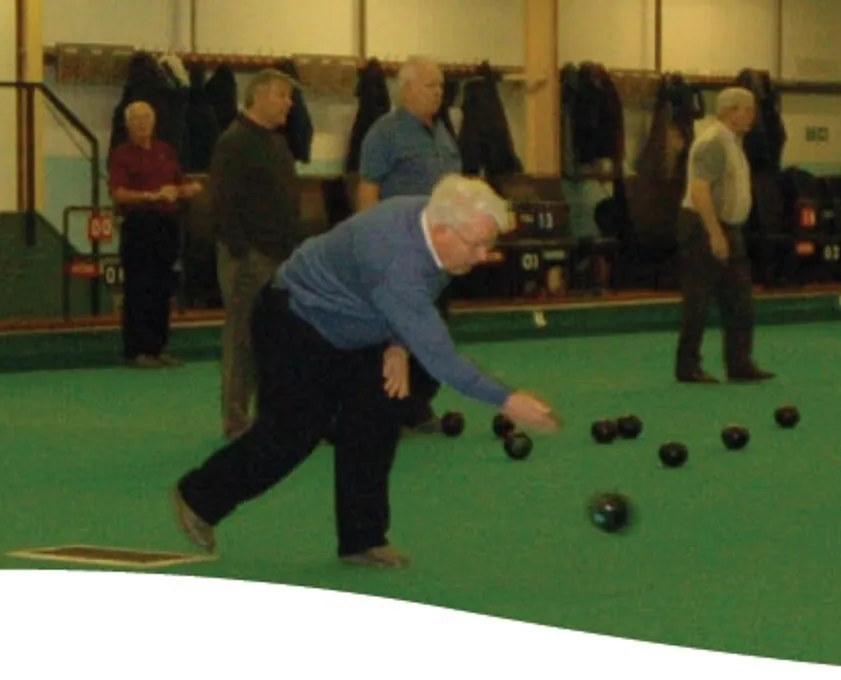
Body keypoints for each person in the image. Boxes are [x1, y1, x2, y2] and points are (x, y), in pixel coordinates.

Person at [169, 176, 560, 569]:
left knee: (376, 417)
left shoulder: (439, 219)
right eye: (475, 245)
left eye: (486, 245)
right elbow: (441, 356)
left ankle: (362, 539)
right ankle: (198, 497)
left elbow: (421, 292)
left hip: (362, 324)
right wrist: (507, 400)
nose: (480, 256)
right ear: (442, 231)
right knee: (292, 433)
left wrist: (396, 342)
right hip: (295, 320)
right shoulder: (394, 255)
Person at [356, 57, 465, 435]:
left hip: (441, 253)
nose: (439, 92)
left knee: (435, 330)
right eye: (430, 85)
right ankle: (388, 410)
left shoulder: (442, 134)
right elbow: (368, 189)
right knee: (394, 333)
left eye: (440, 85)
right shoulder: (384, 133)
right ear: (405, 89)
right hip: (401, 250)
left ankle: (417, 406)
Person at [209, 68, 302, 439]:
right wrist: (242, 255)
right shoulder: (233, 142)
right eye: (282, 95)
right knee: (242, 340)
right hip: (248, 259)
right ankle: (236, 421)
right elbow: (222, 205)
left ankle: (273, 415)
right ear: (259, 95)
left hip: (282, 258)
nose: (289, 104)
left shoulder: (277, 143)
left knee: (278, 340)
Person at [674, 88, 774, 384]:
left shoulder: (732, 141)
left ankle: (739, 363)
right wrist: (715, 234)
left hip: (729, 227)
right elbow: (700, 190)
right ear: (731, 111)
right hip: (705, 226)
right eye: (748, 110)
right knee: (699, 300)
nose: (753, 116)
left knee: (740, 300)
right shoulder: (714, 142)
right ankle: (687, 366)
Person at [107, 100, 201, 369]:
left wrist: (188, 189)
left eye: (146, 118)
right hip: (139, 226)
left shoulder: (165, 150)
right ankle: (137, 351)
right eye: (136, 119)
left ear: (154, 121)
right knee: (138, 288)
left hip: (166, 226)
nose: (142, 123)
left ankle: (159, 348)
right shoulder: (121, 155)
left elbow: (179, 183)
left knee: (162, 289)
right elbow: (118, 193)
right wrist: (150, 195)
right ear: (127, 124)